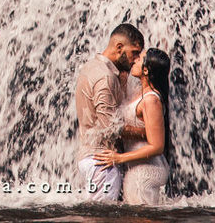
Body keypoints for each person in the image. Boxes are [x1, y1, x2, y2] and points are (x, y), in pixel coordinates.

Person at [73, 23, 146, 201]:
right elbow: (111, 127)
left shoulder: (92, 67)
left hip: (92, 157)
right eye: (134, 53)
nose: (136, 59)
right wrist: (145, 133)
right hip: (102, 162)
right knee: (102, 217)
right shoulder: (105, 77)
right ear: (119, 47)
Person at [95, 47, 171, 205]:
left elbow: (157, 146)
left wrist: (119, 158)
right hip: (136, 167)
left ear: (146, 70)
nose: (135, 59)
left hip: (145, 171)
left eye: (140, 58)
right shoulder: (139, 92)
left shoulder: (151, 100)